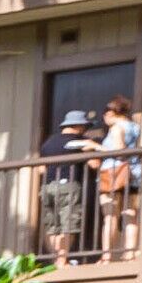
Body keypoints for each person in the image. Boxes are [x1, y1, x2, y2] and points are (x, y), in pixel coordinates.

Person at [39, 110, 95, 264]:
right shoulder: (79, 141)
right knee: (68, 223)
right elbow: (94, 163)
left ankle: (55, 258)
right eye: (84, 127)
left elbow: (41, 169)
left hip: (48, 187)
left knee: (52, 225)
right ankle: (62, 260)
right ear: (78, 126)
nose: (85, 130)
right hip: (68, 185)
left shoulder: (48, 143)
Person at [93, 94, 142, 258]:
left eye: (106, 115)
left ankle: (107, 255)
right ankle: (129, 253)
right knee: (131, 214)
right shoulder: (135, 127)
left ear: (111, 113)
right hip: (133, 172)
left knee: (110, 215)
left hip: (113, 173)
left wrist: (94, 146)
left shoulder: (116, 128)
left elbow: (119, 152)